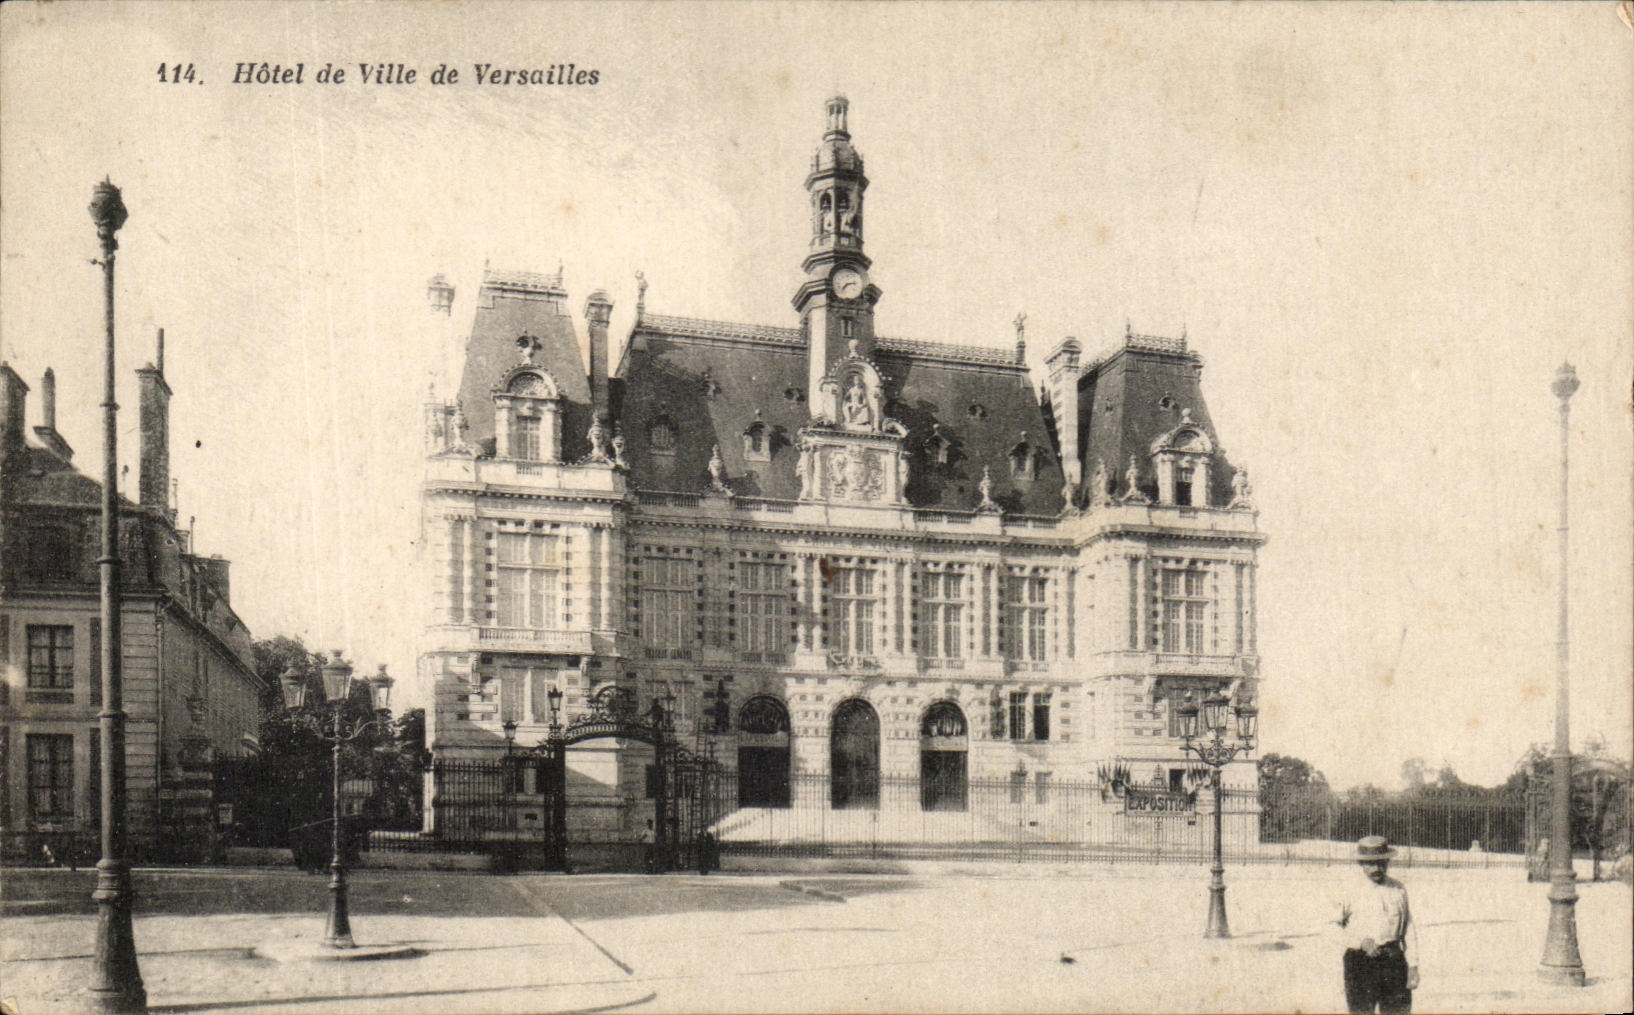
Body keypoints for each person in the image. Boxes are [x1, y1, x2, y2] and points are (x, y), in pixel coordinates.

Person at [1335, 835, 1420, 1014]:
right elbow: (1331, 927)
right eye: (1370, 863)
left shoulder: (1398, 889)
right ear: (1361, 863)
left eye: (1381, 863)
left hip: (1393, 961)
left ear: (1388, 861)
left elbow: (1408, 928)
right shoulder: (1348, 889)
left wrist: (1413, 965)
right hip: (1360, 963)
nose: (1376, 868)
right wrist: (1360, 942)